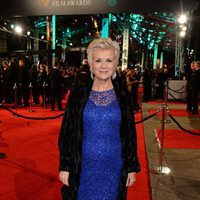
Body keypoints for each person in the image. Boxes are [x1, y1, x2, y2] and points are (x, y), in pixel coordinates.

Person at [58, 38, 140, 200]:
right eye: (98, 60)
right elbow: (67, 132)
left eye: (109, 60)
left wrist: (131, 167)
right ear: (91, 64)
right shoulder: (78, 93)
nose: (103, 66)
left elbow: (130, 133)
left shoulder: (123, 94)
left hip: (114, 165)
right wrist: (65, 166)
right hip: (82, 165)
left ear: (116, 63)